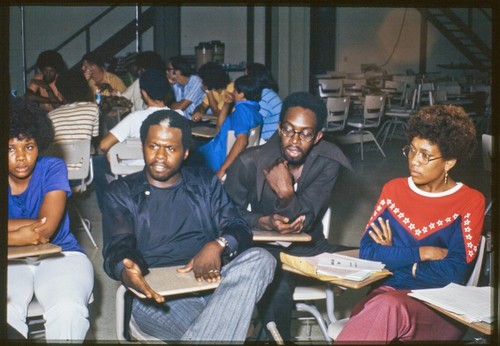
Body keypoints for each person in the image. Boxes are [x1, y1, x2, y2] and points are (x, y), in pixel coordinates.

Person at [101, 109, 276, 342]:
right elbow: (118, 245)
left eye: (171, 149)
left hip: (215, 284)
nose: (160, 156)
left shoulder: (205, 184)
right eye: (153, 146)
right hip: (158, 296)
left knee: (262, 259)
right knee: (220, 331)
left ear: (185, 153)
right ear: (143, 146)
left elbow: (237, 227)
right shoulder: (121, 193)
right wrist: (125, 267)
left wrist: (218, 245)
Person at [335, 105, 485, 343]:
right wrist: (423, 253)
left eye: (425, 155)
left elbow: (453, 272)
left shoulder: (469, 201)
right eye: (412, 151)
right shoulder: (393, 190)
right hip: (383, 298)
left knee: (387, 307)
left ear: (449, 162)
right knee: (383, 306)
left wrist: (394, 256)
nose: (415, 161)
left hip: (439, 308)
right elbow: (368, 253)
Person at [224, 92, 353, 340]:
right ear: (279, 128)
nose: (294, 140)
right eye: (288, 130)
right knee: (276, 287)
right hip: (262, 250)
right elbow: (224, 215)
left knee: (377, 262)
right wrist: (262, 221)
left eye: (305, 134)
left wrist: (286, 194)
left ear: (317, 137)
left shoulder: (328, 162)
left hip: (309, 248)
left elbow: (308, 218)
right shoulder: (249, 162)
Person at [8, 97, 94, 340]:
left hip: (61, 254)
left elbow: (45, 229)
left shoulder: (53, 166)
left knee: (68, 310)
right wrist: (19, 235)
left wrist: (16, 235)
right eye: (10, 148)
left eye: (29, 146)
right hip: (9, 261)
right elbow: (37, 226)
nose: (22, 157)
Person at [93, 68, 178, 211]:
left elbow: (103, 144)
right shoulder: (179, 116)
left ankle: (108, 209)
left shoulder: (135, 118)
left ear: (143, 93)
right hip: (168, 173)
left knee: (96, 163)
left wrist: (111, 153)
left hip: (133, 175)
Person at [197, 75, 263, 180]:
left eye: (235, 91)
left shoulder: (241, 111)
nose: (232, 93)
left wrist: (222, 169)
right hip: (224, 153)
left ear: (241, 94)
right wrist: (227, 104)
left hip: (218, 158)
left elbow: (242, 140)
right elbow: (220, 127)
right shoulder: (254, 111)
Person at [48, 70, 99, 143]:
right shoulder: (92, 108)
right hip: (84, 153)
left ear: (61, 94)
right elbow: (94, 138)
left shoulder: (50, 115)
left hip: (60, 154)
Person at [191, 61, 234, 130]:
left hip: (232, 126)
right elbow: (202, 106)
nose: (201, 83)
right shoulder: (214, 89)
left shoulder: (230, 88)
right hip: (220, 124)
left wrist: (208, 92)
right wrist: (198, 112)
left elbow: (218, 114)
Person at [245, 63, 282, 142]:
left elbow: (254, 122)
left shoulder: (263, 95)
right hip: (268, 138)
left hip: (268, 140)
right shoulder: (267, 92)